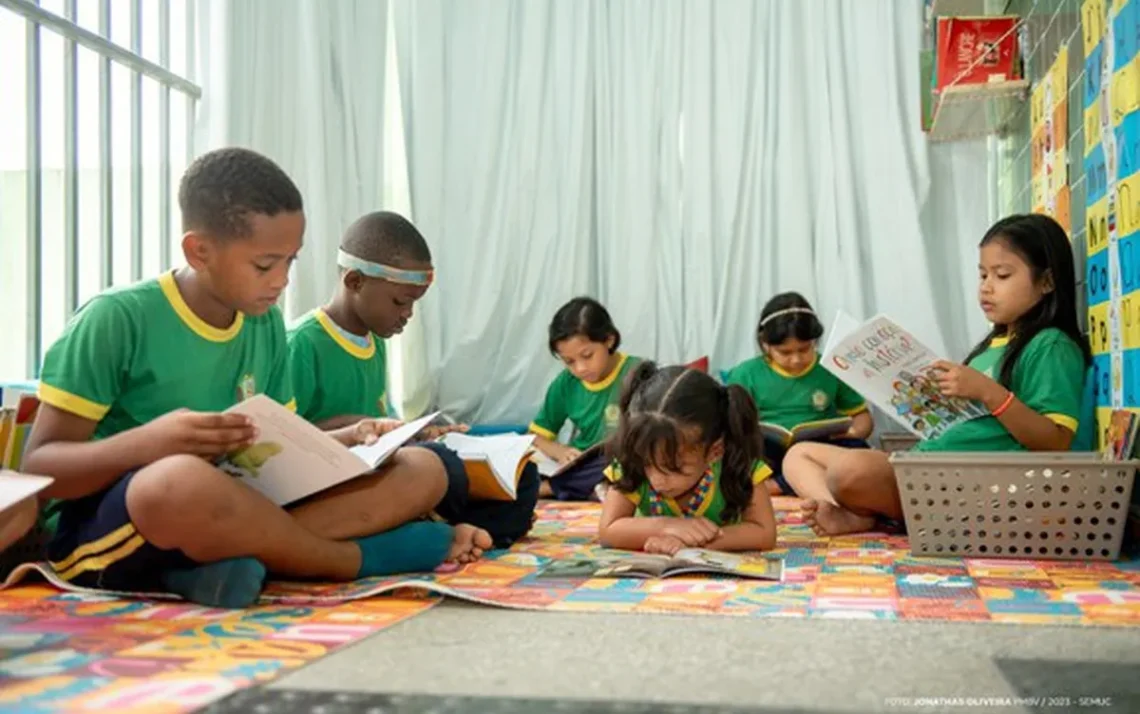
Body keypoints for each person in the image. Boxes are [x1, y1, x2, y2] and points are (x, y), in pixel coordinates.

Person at [22, 148, 484, 608]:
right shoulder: (117, 319)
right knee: (179, 480)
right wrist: (152, 443)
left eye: (291, 261)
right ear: (199, 251)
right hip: (119, 521)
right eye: (265, 265)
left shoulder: (263, 325)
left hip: (235, 504)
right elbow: (41, 468)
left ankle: (218, 565)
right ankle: (347, 559)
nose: (281, 281)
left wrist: (354, 437)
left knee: (424, 467)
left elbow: (280, 447)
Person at [783, 214, 1091, 536]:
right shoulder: (993, 345)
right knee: (798, 455)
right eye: (982, 274)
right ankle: (852, 512)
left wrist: (988, 392)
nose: (986, 287)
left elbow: (1055, 441)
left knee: (849, 469)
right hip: (930, 468)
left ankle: (867, 514)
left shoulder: (1050, 345)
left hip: (968, 485)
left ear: (1047, 282)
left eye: (1001, 275)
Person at [288, 210, 537, 548]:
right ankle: (431, 528)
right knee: (440, 468)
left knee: (522, 475)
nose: (407, 314)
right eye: (400, 302)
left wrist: (415, 431)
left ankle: (430, 526)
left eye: (413, 304)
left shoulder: (373, 341)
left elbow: (380, 424)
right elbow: (288, 443)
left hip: (376, 470)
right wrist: (364, 428)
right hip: (333, 482)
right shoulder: (302, 343)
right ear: (354, 282)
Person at [598, 362, 778, 554]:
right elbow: (608, 531)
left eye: (674, 467)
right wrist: (666, 526)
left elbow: (764, 533)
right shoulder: (631, 464)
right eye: (648, 464)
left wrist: (692, 544)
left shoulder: (739, 465)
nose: (657, 480)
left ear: (715, 450)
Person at [726, 292, 873, 497]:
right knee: (737, 453)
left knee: (858, 454)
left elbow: (862, 417)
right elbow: (731, 424)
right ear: (765, 344)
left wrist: (854, 432)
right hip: (768, 450)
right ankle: (786, 483)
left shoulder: (831, 368)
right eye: (785, 352)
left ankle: (779, 485)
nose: (796, 360)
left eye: (805, 349)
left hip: (820, 446)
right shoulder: (746, 373)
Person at [530, 297, 642, 501]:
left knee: (624, 463)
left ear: (609, 340)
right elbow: (536, 436)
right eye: (569, 361)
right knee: (520, 462)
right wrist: (559, 451)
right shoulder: (566, 383)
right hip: (580, 463)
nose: (580, 368)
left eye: (587, 355)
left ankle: (551, 488)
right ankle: (584, 487)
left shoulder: (638, 374)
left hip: (618, 461)